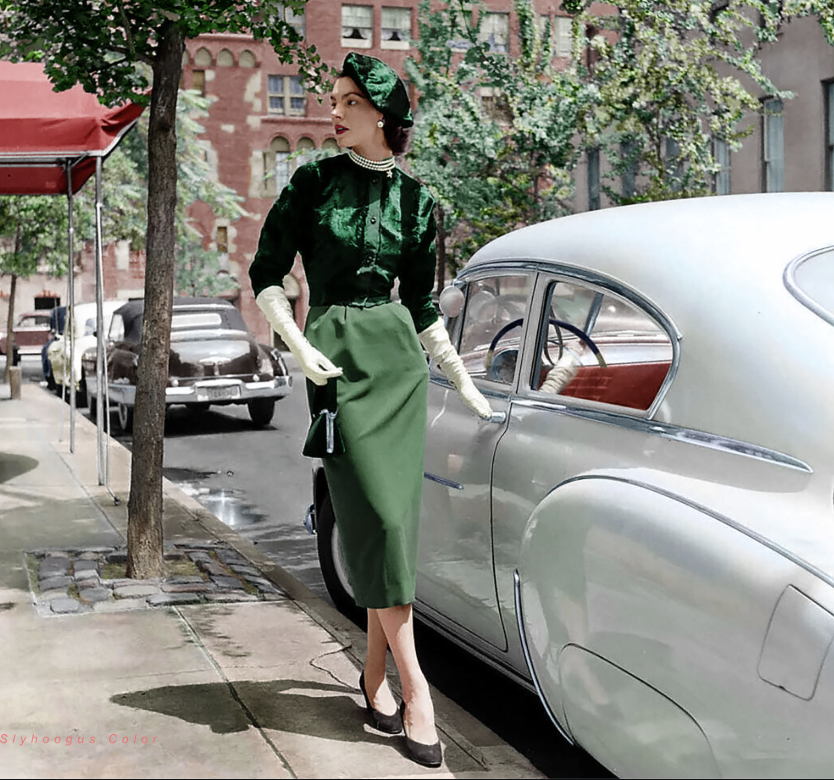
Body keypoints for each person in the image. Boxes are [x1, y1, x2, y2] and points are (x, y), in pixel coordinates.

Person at [249, 52, 492, 768]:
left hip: (396, 363)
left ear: (382, 114)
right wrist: (296, 344)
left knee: (396, 525)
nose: (334, 110)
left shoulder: (418, 202)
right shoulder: (311, 181)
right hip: (330, 353)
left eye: (348, 101)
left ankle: (375, 676)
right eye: (334, 99)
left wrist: (463, 379)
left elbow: (421, 307)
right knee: (376, 520)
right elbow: (266, 273)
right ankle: (419, 689)